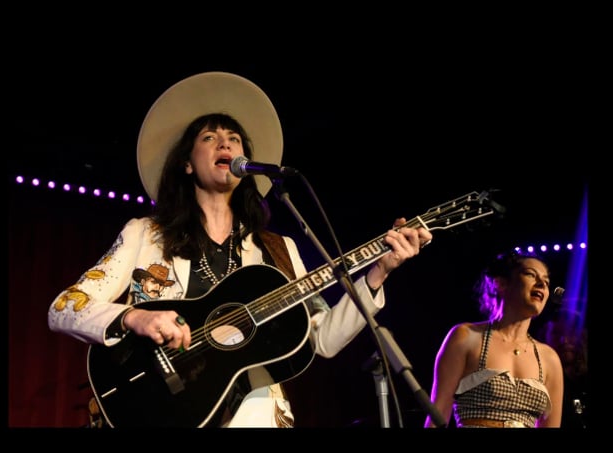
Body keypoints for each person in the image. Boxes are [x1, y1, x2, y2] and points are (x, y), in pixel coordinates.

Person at [47, 71, 433, 428]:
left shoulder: (278, 250)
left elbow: (324, 341)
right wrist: (135, 318)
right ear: (186, 164)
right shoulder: (145, 234)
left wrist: (380, 271)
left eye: (234, 138)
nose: (225, 143)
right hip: (162, 409)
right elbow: (64, 307)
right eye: (209, 137)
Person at [424, 250, 564, 428]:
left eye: (546, 281)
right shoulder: (466, 336)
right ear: (501, 283)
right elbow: (437, 415)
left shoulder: (549, 358)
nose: (542, 284)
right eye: (530, 274)